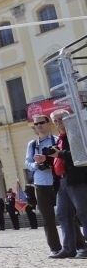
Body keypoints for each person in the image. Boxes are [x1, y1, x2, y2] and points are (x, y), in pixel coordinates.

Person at [49, 109, 87, 258]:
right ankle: (68, 248)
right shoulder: (60, 138)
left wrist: (59, 154)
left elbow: (80, 155)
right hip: (63, 180)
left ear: (68, 119)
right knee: (63, 214)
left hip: (77, 178)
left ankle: (84, 248)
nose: (59, 123)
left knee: (83, 213)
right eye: (56, 121)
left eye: (61, 119)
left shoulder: (76, 133)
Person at [25, 114, 62, 255]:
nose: (39, 125)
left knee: (67, 215)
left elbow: (62, 158)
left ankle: (77, 245)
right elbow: (27, 163)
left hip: (56, 181)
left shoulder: (57, 140)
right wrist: (36, 164)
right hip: (40, 184)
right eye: (36, 124)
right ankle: (55, 248)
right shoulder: (33, 144)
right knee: (47, 219)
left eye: (42, 122)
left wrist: (49, 161)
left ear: (48, 123)